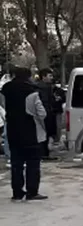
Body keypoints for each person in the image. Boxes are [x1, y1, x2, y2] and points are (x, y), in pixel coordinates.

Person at [2, 67, 48, 201]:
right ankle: (32, 192)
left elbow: (4, 109)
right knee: (33, 163)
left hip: (13, 131)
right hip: (31, 132)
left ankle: (17, 192)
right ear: (28, 77)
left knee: (16, 164)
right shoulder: (32, 92)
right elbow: (42, 113)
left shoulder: (5, 91)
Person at [36, 68, 59, 161]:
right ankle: (44, 154)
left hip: (47, 113)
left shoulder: (44, 87)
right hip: (46, 114)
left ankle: (44, 153)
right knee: (45, 134)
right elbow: (45, 101)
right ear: (44, 77)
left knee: (45, 134)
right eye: (50, 76)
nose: (51, 78)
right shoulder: (43, 88)